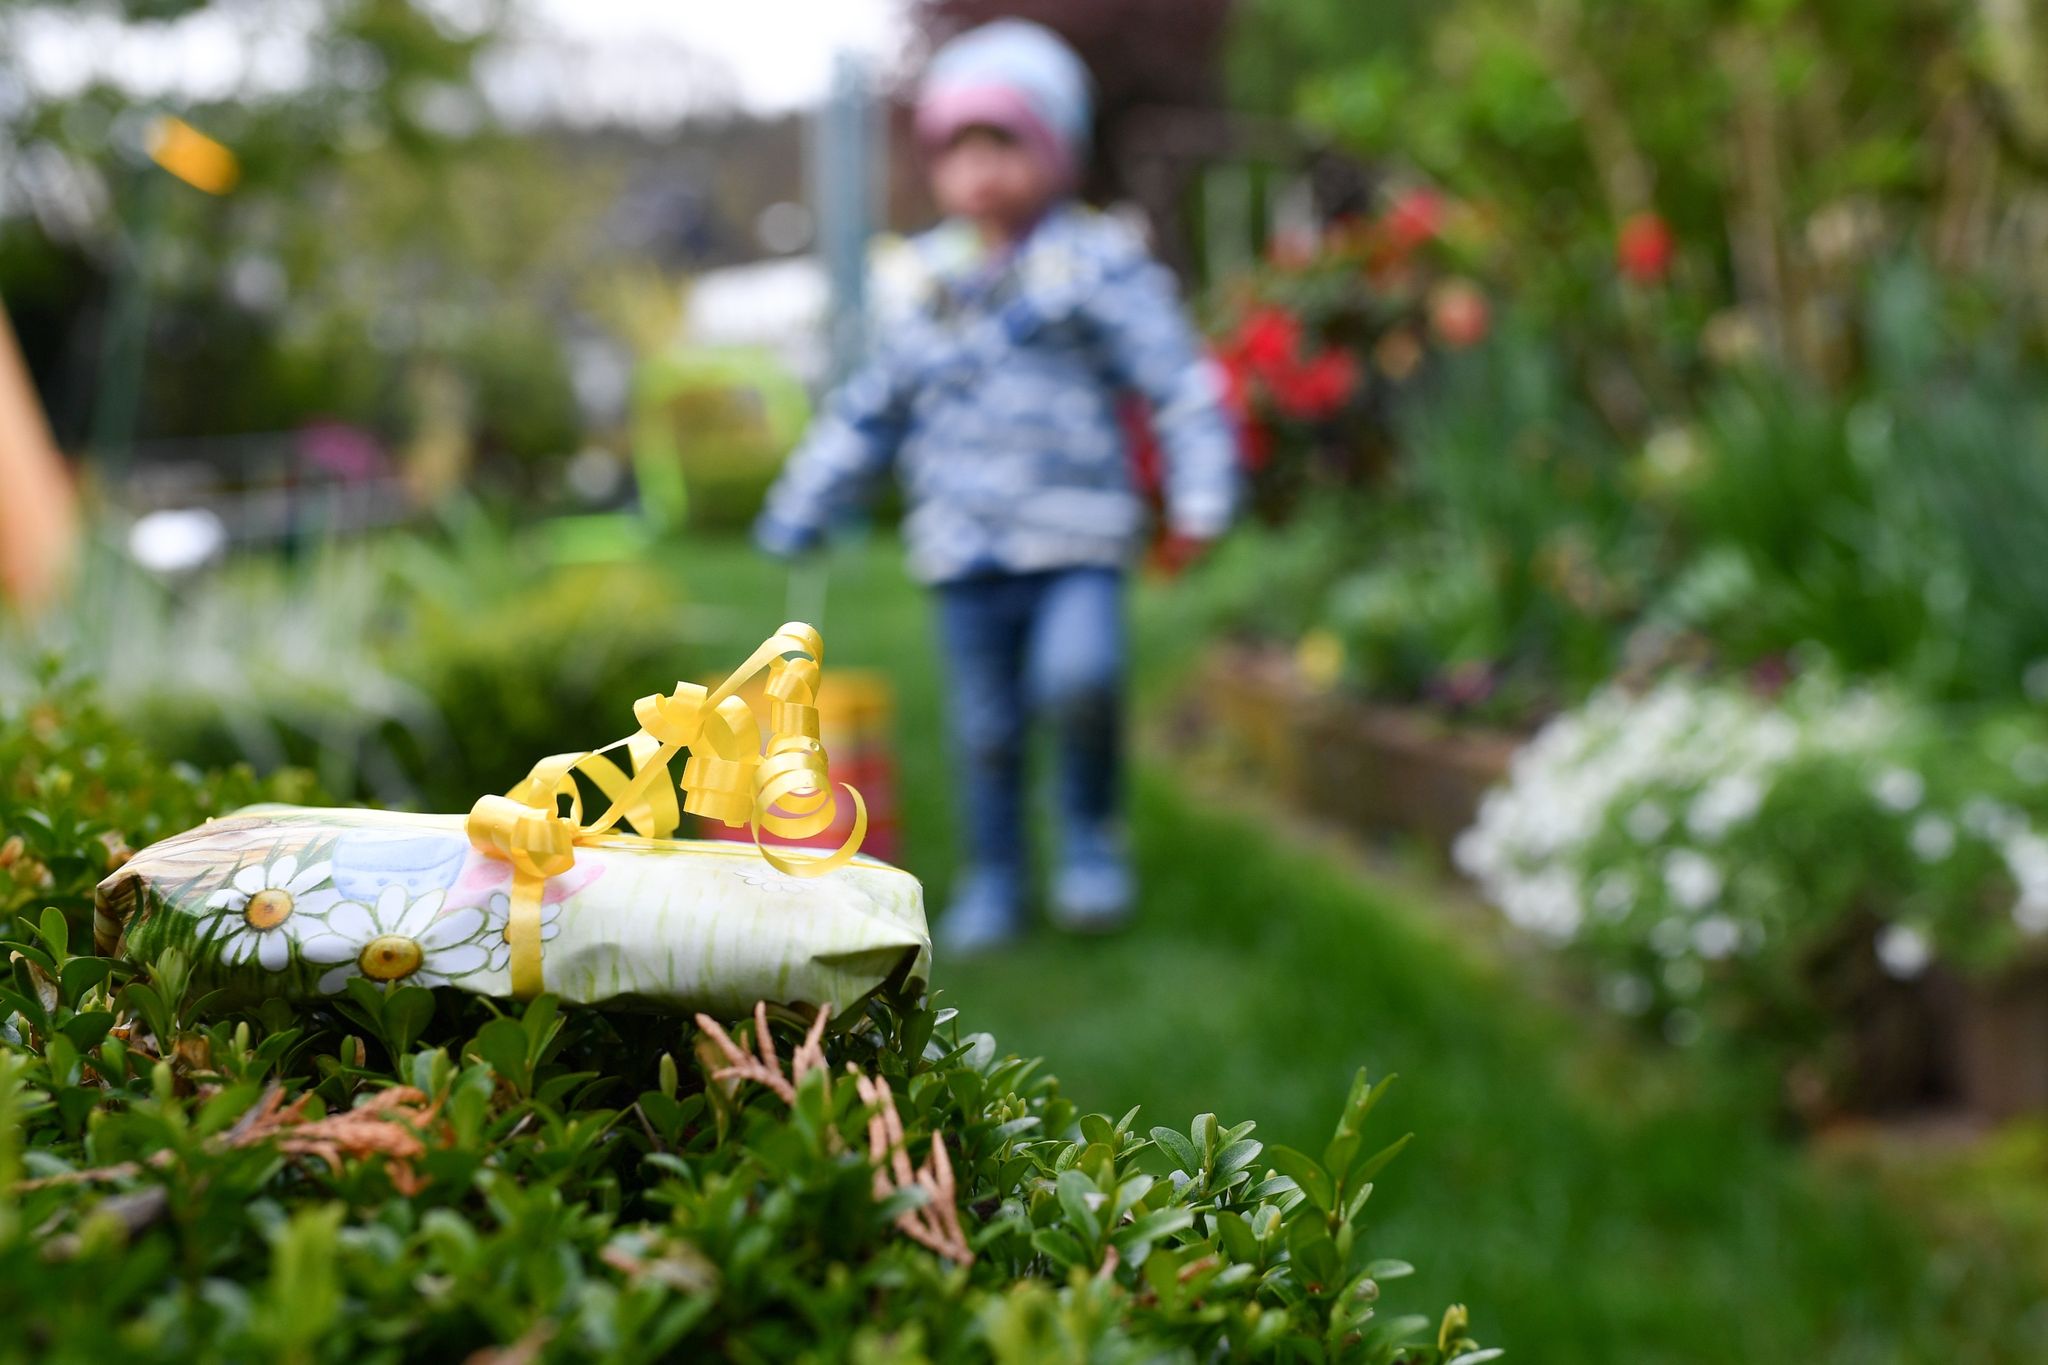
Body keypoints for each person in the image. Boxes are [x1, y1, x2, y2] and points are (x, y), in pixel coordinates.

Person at [753, 20, 1238, 950]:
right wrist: (807, 500)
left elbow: (1177, 379)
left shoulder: (1098, 263)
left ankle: (1091, 837)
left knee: (1082, 678)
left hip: (1076, 541)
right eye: (957, 148)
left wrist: (1201, 491)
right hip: (966, 547)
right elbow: (870, 408)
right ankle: (997, 876)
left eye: (1003, 141)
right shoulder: (923, 282)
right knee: (987, 726)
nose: (979, 170)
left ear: (1056, 150)